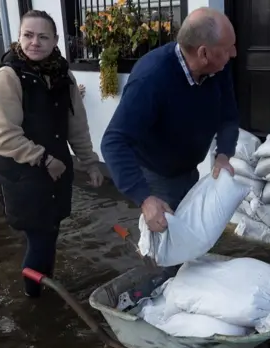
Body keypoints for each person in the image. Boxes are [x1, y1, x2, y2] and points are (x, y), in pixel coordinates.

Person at [0, 10, 104, 298]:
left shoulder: (63, 75)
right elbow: (5, 136)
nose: (34, 42)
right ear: (19, 37)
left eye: (42, 36)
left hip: (56, 172)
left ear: (55, 41)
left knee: (49, 233)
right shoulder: (9, 77)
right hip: (23, 173)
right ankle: (34, 301)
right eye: (28, 35)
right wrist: (44, 159)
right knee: (40, 237)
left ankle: (42, 287)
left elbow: (77, 126)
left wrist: (90, 163)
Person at [101, 7, 239, 233]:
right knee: (166, 249)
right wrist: (145, 198)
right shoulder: (152, 78)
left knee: (191, 237)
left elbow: (229, 116)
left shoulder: (218, 70)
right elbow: (114, 141)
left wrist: (223, 154)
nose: (234, 53)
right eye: (228, 48)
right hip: (156, 175)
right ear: (204, 53)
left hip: (188, 170)